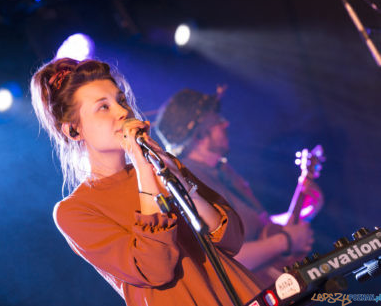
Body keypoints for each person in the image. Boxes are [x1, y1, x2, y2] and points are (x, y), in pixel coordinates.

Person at [30, 58, 263, 306]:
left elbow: (232, 239)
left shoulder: (163, 166)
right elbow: (155, 268)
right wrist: (143, 167)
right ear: (74, 130)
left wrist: (181, 181)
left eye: (121, 101)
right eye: (103, 107)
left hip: (242, 295)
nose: (123, 112)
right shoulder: (74, 211)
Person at [155, 87, 323, 287]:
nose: (226, 123)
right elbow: (224, 258)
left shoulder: (223, 170)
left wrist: (305, 209)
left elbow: (261, 228)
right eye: (217, 120)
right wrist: (285, 241)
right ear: (199, 135)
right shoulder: (189, 180)